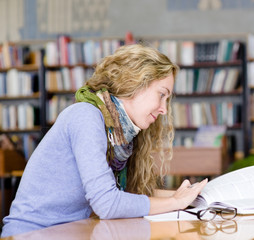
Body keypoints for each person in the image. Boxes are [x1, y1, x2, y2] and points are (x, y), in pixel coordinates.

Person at [1, 44, 208, 237]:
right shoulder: (86, 116)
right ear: (134, 83)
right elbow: (107, 203)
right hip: (31, 235)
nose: (164, 109)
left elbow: (127, 195)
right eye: (161, 94)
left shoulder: (120, 133)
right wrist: (174, 202)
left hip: (70, 232)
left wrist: (190, 197)